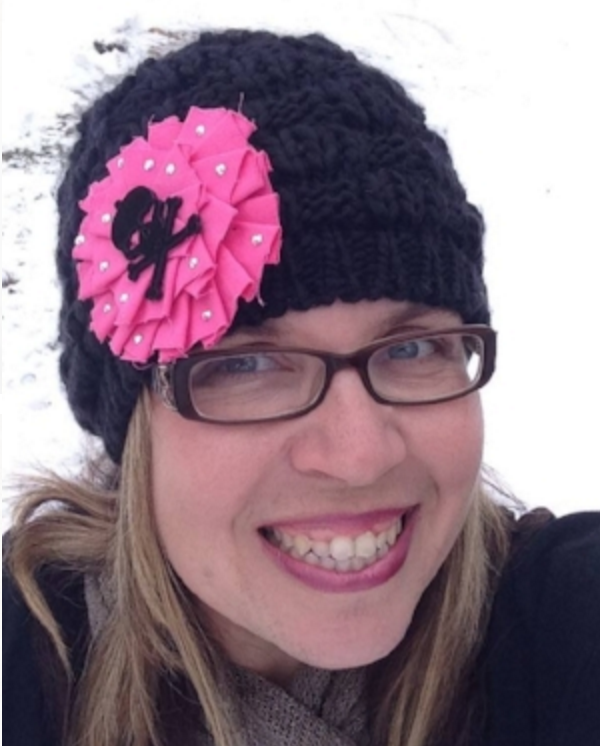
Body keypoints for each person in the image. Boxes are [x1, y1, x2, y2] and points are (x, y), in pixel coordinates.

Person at [3, 29, 599, 746]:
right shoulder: (23, 665)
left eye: (412, 348)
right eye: (246, 365)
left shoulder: (565, 624)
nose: (359, 456)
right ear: (134, 428)